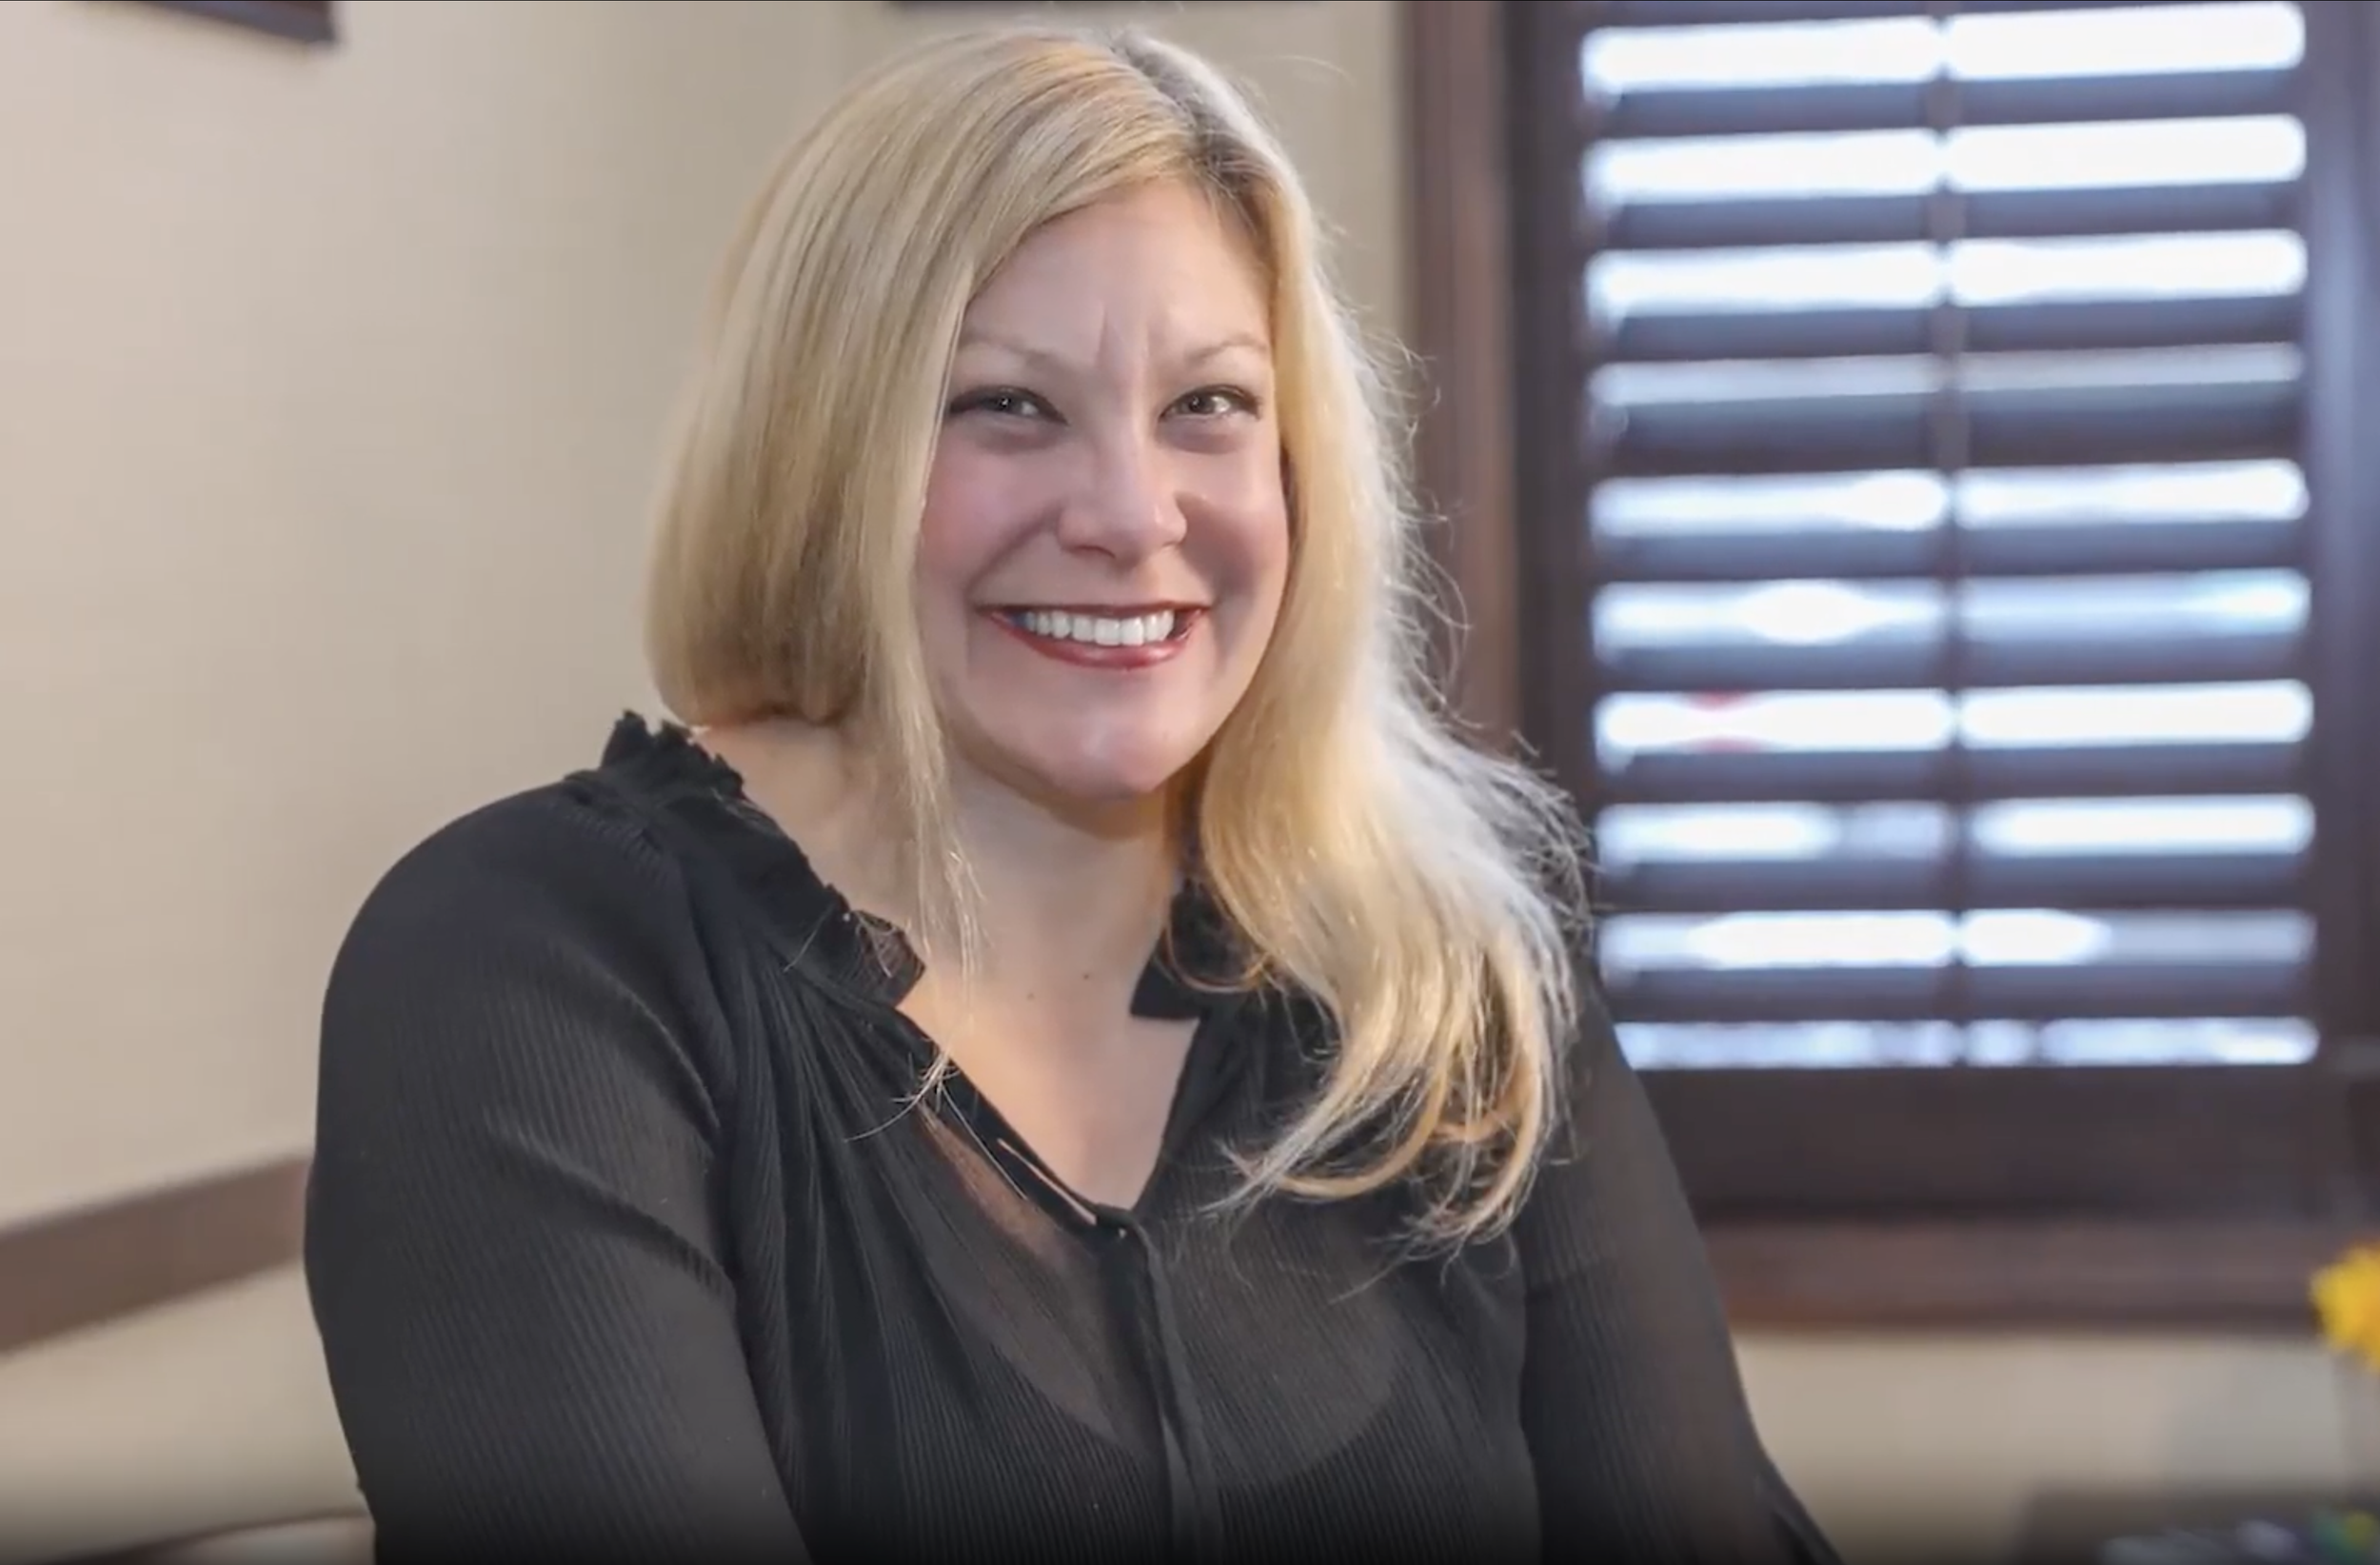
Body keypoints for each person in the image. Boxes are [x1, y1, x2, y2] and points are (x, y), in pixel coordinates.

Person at [303, 22, 1835, 1565]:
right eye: (1007, 406)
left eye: (1211, 406)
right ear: (824, 453)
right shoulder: (533, 972)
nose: (1129, 512)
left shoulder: (1454, 974)